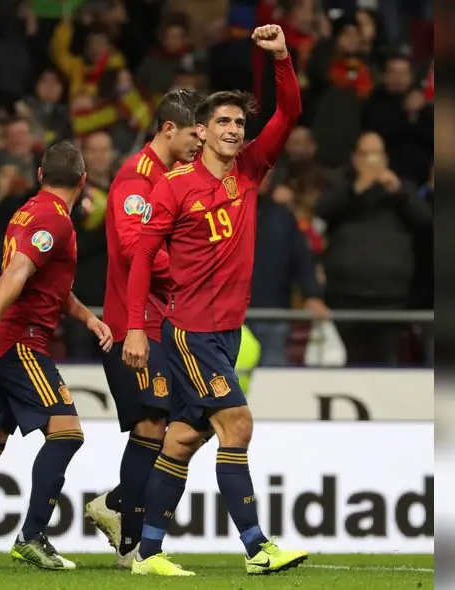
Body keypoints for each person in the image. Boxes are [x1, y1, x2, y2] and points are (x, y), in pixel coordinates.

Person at [122, 25, 308, 576]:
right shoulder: (173, 187)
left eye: (238, 123)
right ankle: (257, 547)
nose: (233, 129)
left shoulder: (250, 171)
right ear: (199, 131)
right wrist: (136, 327)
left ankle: (148, 553)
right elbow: (140, 259)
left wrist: (280, 59)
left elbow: (289, 114)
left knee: (182, 438)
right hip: (192, 330)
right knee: (238, 425)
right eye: (222, 122)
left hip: (226, 330)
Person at [0, 142, 113, 571]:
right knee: (67, 433)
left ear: (41, 175)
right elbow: (17, 273)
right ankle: (31, 536)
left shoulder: (28, 211)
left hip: (3, 345)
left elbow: (50, 284)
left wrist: (87, 318)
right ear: (84, 181)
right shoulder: (55, 221)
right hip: (19, 343)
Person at [83, 88, 204, 568]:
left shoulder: (175, 177)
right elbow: (137, 248)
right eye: (196, 133)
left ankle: (117, 508)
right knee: (153, 425)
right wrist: (189, 272)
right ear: (169, 129)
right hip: (136, 322)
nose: (201, 142)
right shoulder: (136, 181)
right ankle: (133, 544)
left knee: (175, 425)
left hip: (167, 320)